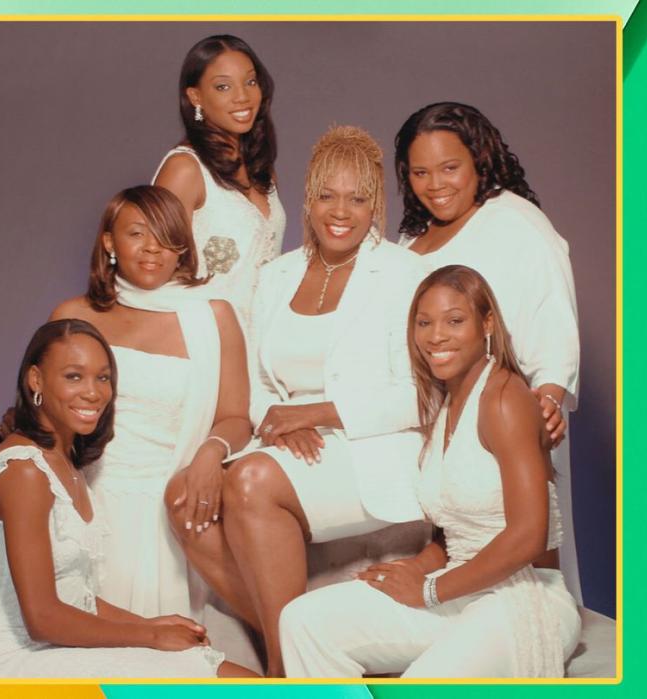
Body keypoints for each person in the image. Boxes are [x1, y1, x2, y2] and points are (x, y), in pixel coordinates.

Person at [165, 125, 425, 676]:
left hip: (370, 447)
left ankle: (287, 670)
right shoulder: (276, 275)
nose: (341, 211)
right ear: (307, 197)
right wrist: (279, 423)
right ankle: (298, 643)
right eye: (327, 195)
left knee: (251, 481)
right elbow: (256, 381)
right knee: (183, 499)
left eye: (358, 199)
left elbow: (423, 395)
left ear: (376, 203)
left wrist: (319, 413)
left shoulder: (404, 273)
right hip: (286, 444)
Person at [278, 265, 581, 678]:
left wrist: (429, 588)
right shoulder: (447, 402)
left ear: (487, 323)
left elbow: (530, 535)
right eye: (424, 322)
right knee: (302, 620)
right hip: (459, 588)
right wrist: (421, 565)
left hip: (521, 597)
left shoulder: (506, 398)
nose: (436, 336)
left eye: (454, 320)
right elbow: (455, 524)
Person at [0, 319, 256, 678]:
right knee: (231, 680)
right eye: (74, 376)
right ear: (36, 380)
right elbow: (41, 617)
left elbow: (73, 594)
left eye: (103, 378)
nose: (94, 393)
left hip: (50, 648)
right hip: (7, 659)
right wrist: (149, 635)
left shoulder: (66, 463)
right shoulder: (24, 469)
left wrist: (154, 624)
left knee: (225, 672)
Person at [393, 101, 583, 600]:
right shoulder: (411, 236)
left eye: (450, 168)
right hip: (430, 416)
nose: (436, 184)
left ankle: (536, 633)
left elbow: (552, 314)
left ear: (480, 159)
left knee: (520, 544)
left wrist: (548, 397)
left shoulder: (515, 223)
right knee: (445, 539)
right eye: (420, 172)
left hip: (497, 410)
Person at [50, 185, 251, 621]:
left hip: (174, 504)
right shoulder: (75, 316)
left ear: (182, 248)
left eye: (166, 236)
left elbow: (236, 417)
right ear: (109, 242)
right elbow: (44, 418)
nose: (152, 248)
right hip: (89, 500)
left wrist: (209, 454)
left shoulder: (213, 317)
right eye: (137, 233)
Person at [153, 34, 286, 325]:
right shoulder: (184, 169)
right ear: (195, 97)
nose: (242, 96)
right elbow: (152, 274)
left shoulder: (262, 171)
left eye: (250, 81)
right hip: (202, 340)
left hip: (261, 344)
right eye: (223, 86)